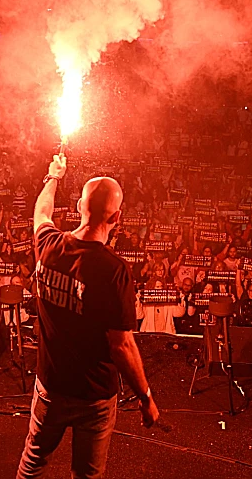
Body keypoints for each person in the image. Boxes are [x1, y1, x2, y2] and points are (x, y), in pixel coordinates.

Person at [17, 154, 159, 479]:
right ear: (118, 216)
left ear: (80, 206)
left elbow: (40, 212)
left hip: (50, 386)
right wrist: (146, 397)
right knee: (86, 476)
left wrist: (53, 177)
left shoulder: (49, 244)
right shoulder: (114, 271)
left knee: (32, 465)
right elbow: (121, 346)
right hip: (94, 397)